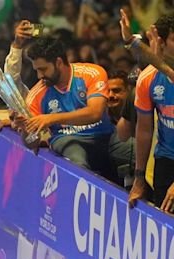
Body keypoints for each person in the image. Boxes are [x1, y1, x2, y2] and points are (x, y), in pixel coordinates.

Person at [24, 37, 119, 175]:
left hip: (104, 135)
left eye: (43, 69)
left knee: (134, 150)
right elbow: (31, 142)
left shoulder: (92, 73)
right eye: (36, 70)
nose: (39, 75)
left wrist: (51, 118)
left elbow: (95, 113)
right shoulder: (36, 95)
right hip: (67, 140)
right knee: (76, 161)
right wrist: (24, 130)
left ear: (58, 62)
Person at [128, 13, 174, 211]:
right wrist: (138, 179)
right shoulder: (147, 79)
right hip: (166, 159)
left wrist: (131, 42)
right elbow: (144, 131)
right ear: (162, 42)